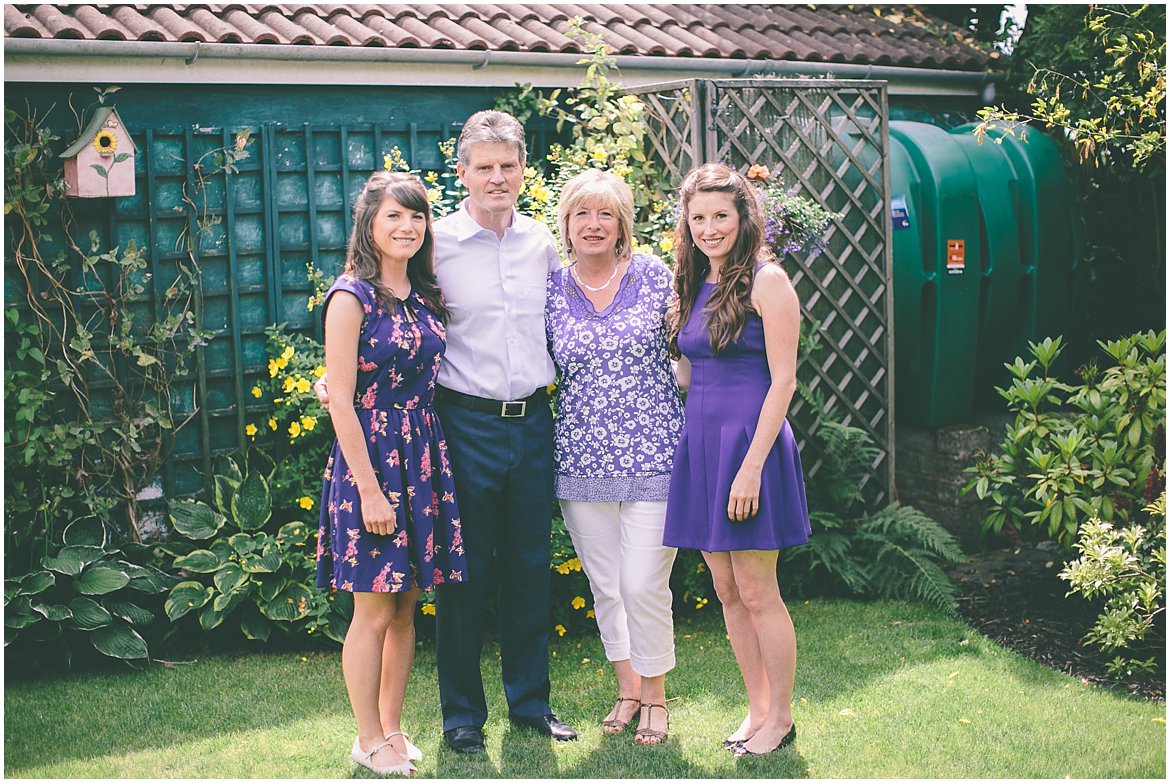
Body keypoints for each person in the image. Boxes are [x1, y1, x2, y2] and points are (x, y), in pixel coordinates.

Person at [317, 110, 576, 755]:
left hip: (532, 422)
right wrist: (335, 389)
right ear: (461, 172)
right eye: (483, 167)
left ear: (523, 172)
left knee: (529, 568)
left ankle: (531, 704)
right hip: (460, 425)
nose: (496, 178)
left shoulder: (541, 243)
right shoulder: (436, 244)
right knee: (461, 576)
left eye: (507, 166)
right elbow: (376, 315)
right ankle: (461, 715)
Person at [316, 171, 468, 776]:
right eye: (394, 218)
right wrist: (371, 491)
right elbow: (342, 401)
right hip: (370, 463)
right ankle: (367, 738)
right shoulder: (350, 297)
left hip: (422, 457)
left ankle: (393, 727)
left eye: (417, 217)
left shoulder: (426, 296)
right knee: (373, 610)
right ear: (369, 226)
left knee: (406, 607)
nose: (407, 227)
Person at [662, 162, 812, 757]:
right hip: (703, 442)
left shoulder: (767, 280)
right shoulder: (697, 282)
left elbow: (784, 381)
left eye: (720, 216)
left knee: (757, 589)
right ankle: (755, 707)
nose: (708, 228)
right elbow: (692, 367)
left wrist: (751, 466)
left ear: (744, 217)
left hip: (750, 443)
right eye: (698, 218)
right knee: (725, 588)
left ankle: (781, 715)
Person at [545, 169, 684, 745]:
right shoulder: (551, 286)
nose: (594, 224)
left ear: (622, 223)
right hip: (580, 462)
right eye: (582, 214)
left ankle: (656, 696)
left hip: (656, 457)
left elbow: (697, 343)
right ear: (567, 225)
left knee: (642, 583)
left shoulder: (656, 277)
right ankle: (627, 689)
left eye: (606, 214)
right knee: (606, 586)